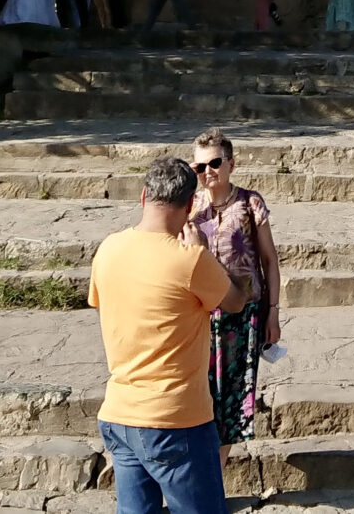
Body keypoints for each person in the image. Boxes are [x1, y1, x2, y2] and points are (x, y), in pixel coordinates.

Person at [87, 156, 247, 514]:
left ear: (144, 196)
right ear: (189, 205)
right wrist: (204, 253)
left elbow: (103, 303)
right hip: (176, 418)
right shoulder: (190, 260)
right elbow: (235, 302)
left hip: (120, 411)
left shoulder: (108, 249)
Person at [187, 130, 280, 470]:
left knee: (231, 401)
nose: (207, 171)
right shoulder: (189, 207)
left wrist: (273, 312)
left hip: (244, 316)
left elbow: (269, 260)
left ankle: (214, 484)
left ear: (230, 164)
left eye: (214, 163)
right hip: (200, 316)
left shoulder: (250, 203)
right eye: (199, 166)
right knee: (201, 398)